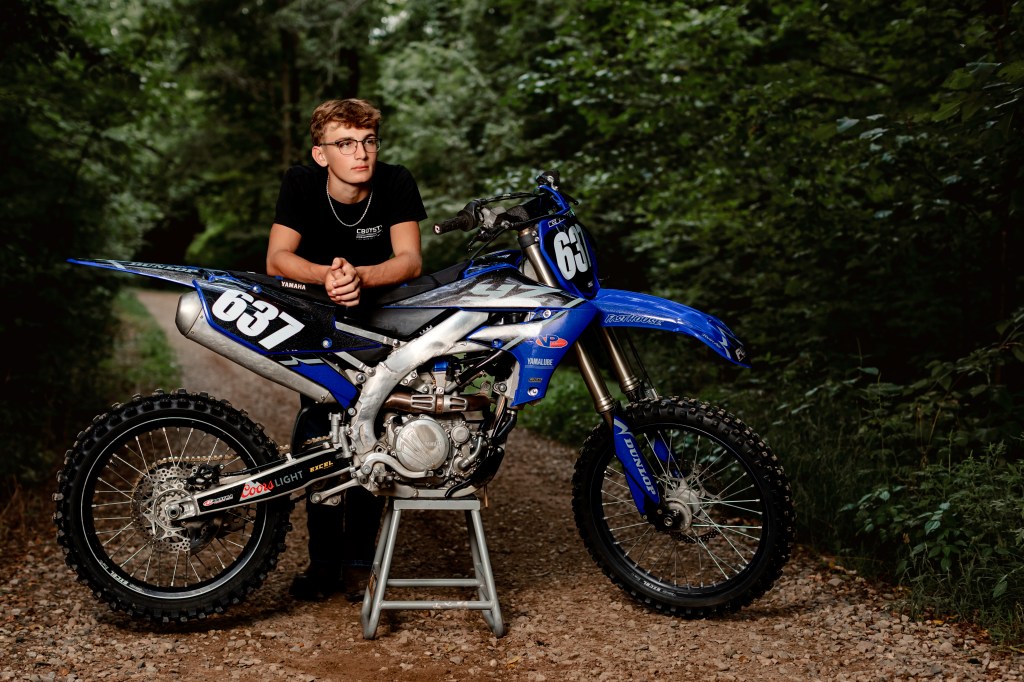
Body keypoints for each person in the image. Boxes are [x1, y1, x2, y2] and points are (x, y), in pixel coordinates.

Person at [267, 98, 427, 601]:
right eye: (345, 143)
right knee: (319, 433)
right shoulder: (300, 183)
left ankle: (359, 563)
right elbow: (277, 258)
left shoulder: (396, 181)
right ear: (321, 155)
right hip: (316, 319)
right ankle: (322, 564)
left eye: (368, 141)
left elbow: (409, 261)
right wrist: (327, 278)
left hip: (380, 323)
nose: (361, 153)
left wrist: (359, 277)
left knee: (372, 431)